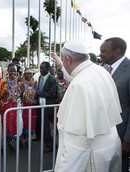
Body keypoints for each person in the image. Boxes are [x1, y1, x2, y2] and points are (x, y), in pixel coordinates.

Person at [52, 40, 122, 171]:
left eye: (63, 60)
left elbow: (75, 144)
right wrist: (61, 64)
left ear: (67, 58)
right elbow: (74, 75)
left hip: (92, 156)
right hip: (110, 147)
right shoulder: (100, 71)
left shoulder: (79, 85)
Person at [99, 37, 130, 172]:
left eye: (103, 51)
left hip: (121, 135)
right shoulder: (104, 69)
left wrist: (128, 140)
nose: (100, 54)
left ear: (116, 52)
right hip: (103, 132)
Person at [0, 63, 23, 151]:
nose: (13, 73)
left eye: (15, 71)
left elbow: (23, 93)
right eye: (11, 71)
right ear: (8, 71)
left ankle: (12, 141)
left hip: (16, 106)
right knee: (4, 125)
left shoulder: (20, 81)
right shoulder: (3, 81)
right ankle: (3, 144)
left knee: (16, 124)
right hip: (6, 106)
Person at [35, 61, 58, 153]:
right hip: (41, 104)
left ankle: (49, 145)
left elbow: (52, 93)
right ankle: (47, 141)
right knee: (42, 126)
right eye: (40, 68)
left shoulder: (52, 80)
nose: (40, 70)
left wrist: (39, 92)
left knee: (46, 127)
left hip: (48, 106)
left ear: (48, 69)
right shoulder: (40, 77)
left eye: (43, 68)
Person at [20, 68, 38, 142]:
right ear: (24, 74)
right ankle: (22, 139)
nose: (30, 75)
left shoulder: (35, 83)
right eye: (28, 73)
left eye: (31, 73)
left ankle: (28, 139)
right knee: (24, 122)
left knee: (32, 122)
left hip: (33, 107)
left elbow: (38, 92)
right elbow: (19, 94)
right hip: (24, 106)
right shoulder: (21, 83)